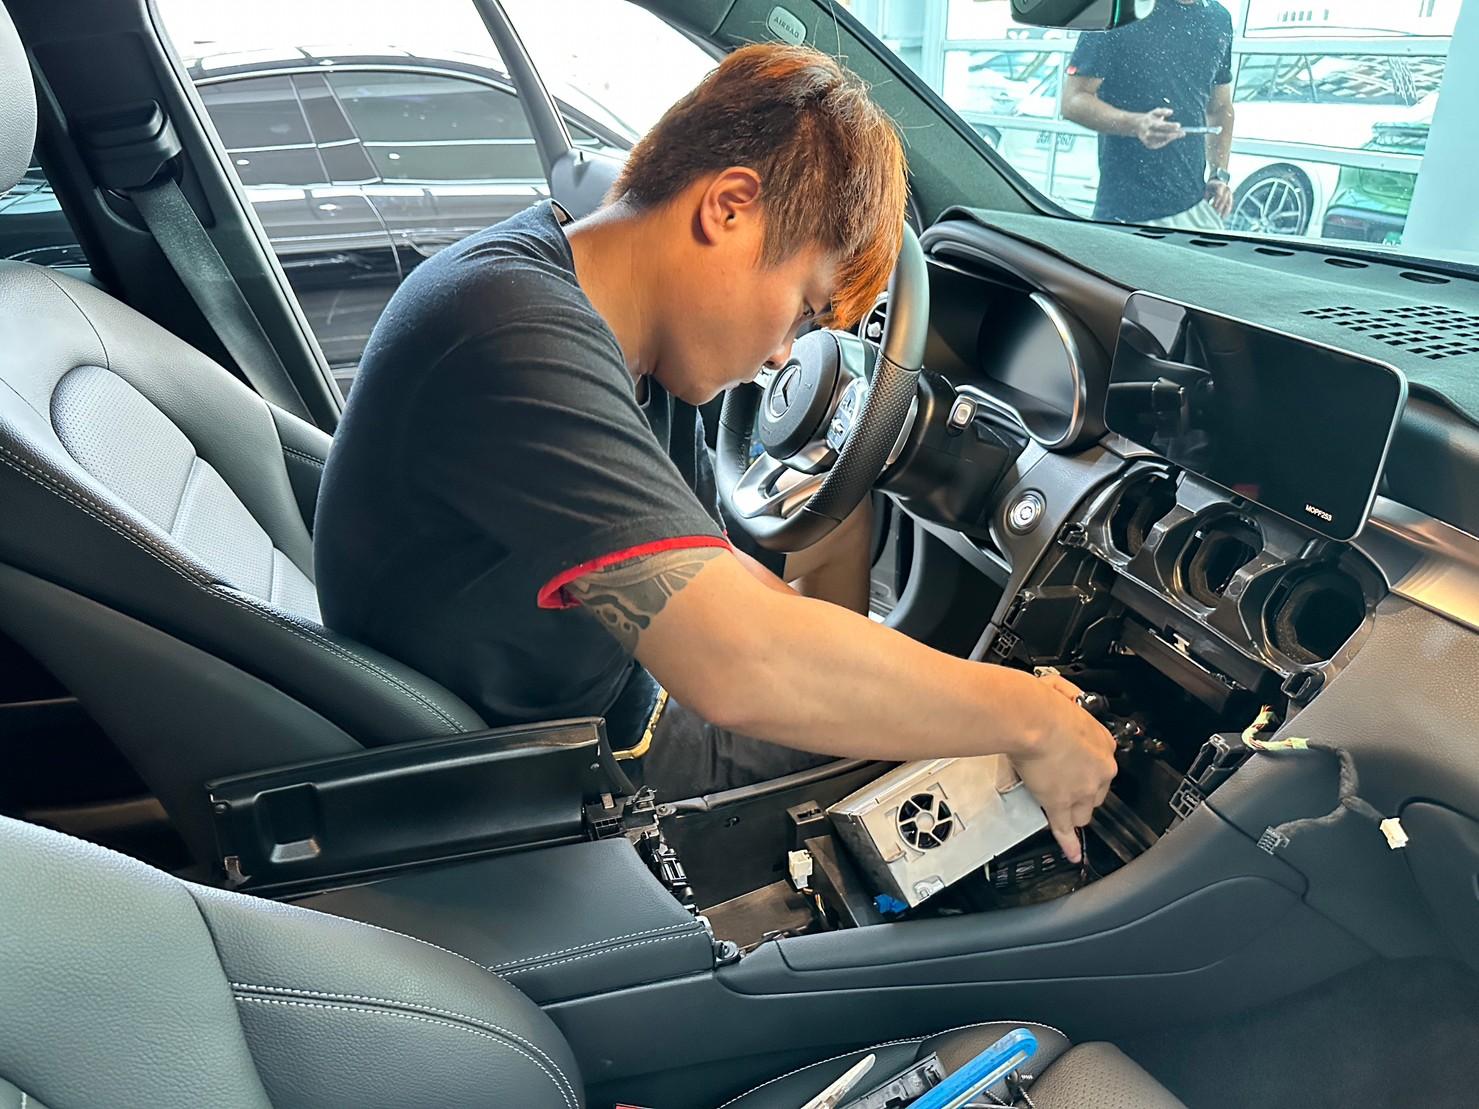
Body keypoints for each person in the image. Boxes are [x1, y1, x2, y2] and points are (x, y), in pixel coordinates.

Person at [315, 43, 1116, 861]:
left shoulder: (618, 337)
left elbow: (728, 589)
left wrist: (842, 489)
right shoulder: (507, 331)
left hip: (602, 712)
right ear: (729, 208)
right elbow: (737, 662)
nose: (786, 355)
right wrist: (1030, 716)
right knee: (971, 778)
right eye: (804, 308)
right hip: (546, 783)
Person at [1061, 0, 1237, 230]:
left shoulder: (1218, 18)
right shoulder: (1116, 9)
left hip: (1195, 208)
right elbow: (1073, 100)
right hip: (1127, 213)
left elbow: (1220, 108)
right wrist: (1135, 124)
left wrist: (1219, 174)